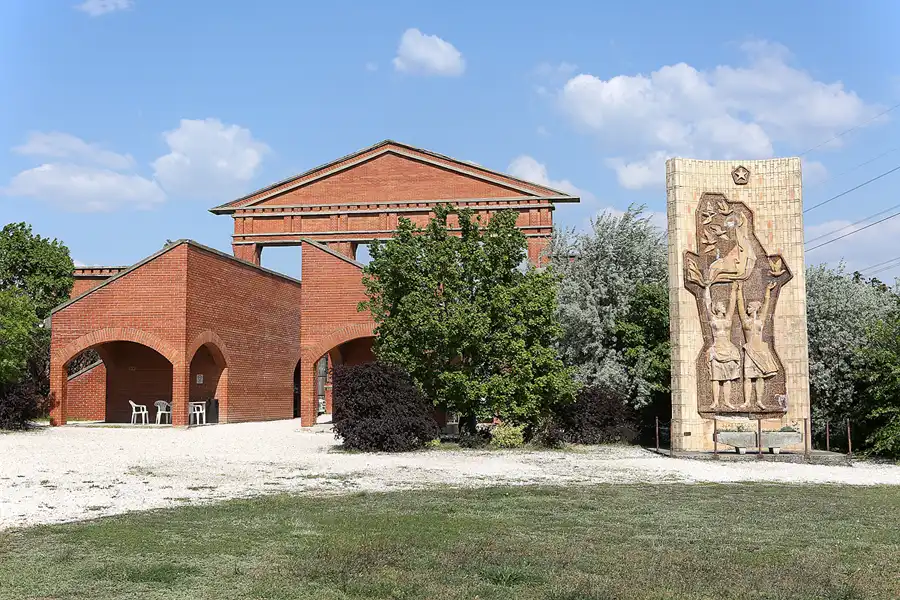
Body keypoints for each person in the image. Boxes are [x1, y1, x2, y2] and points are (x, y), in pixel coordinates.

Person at [737, 281, 779, 410]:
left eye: (750, 307)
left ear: (755, 308)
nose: (747, 308)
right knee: (747, 376)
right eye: (748, 307)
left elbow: (766, 305)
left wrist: (768, 290)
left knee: (760, 376)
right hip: (749, 350)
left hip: (760, 350)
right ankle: (747, 401)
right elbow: (740, 305)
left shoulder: (760, 320)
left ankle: (759, 401)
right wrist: (739, 290)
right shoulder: (745, 320)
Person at [703, 281, 741, 410]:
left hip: (728, 350)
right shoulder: (713, 319)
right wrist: (707, 288)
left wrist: (734, 290)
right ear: (717, 308)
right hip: (716, 350)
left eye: (724, 305)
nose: (724, 307)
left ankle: (727, 401)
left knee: (727, 378)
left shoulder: (728, 318)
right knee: (715, 378)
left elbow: (732, 303)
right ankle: (715, 401)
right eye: (721, 305)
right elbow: (707, 303)